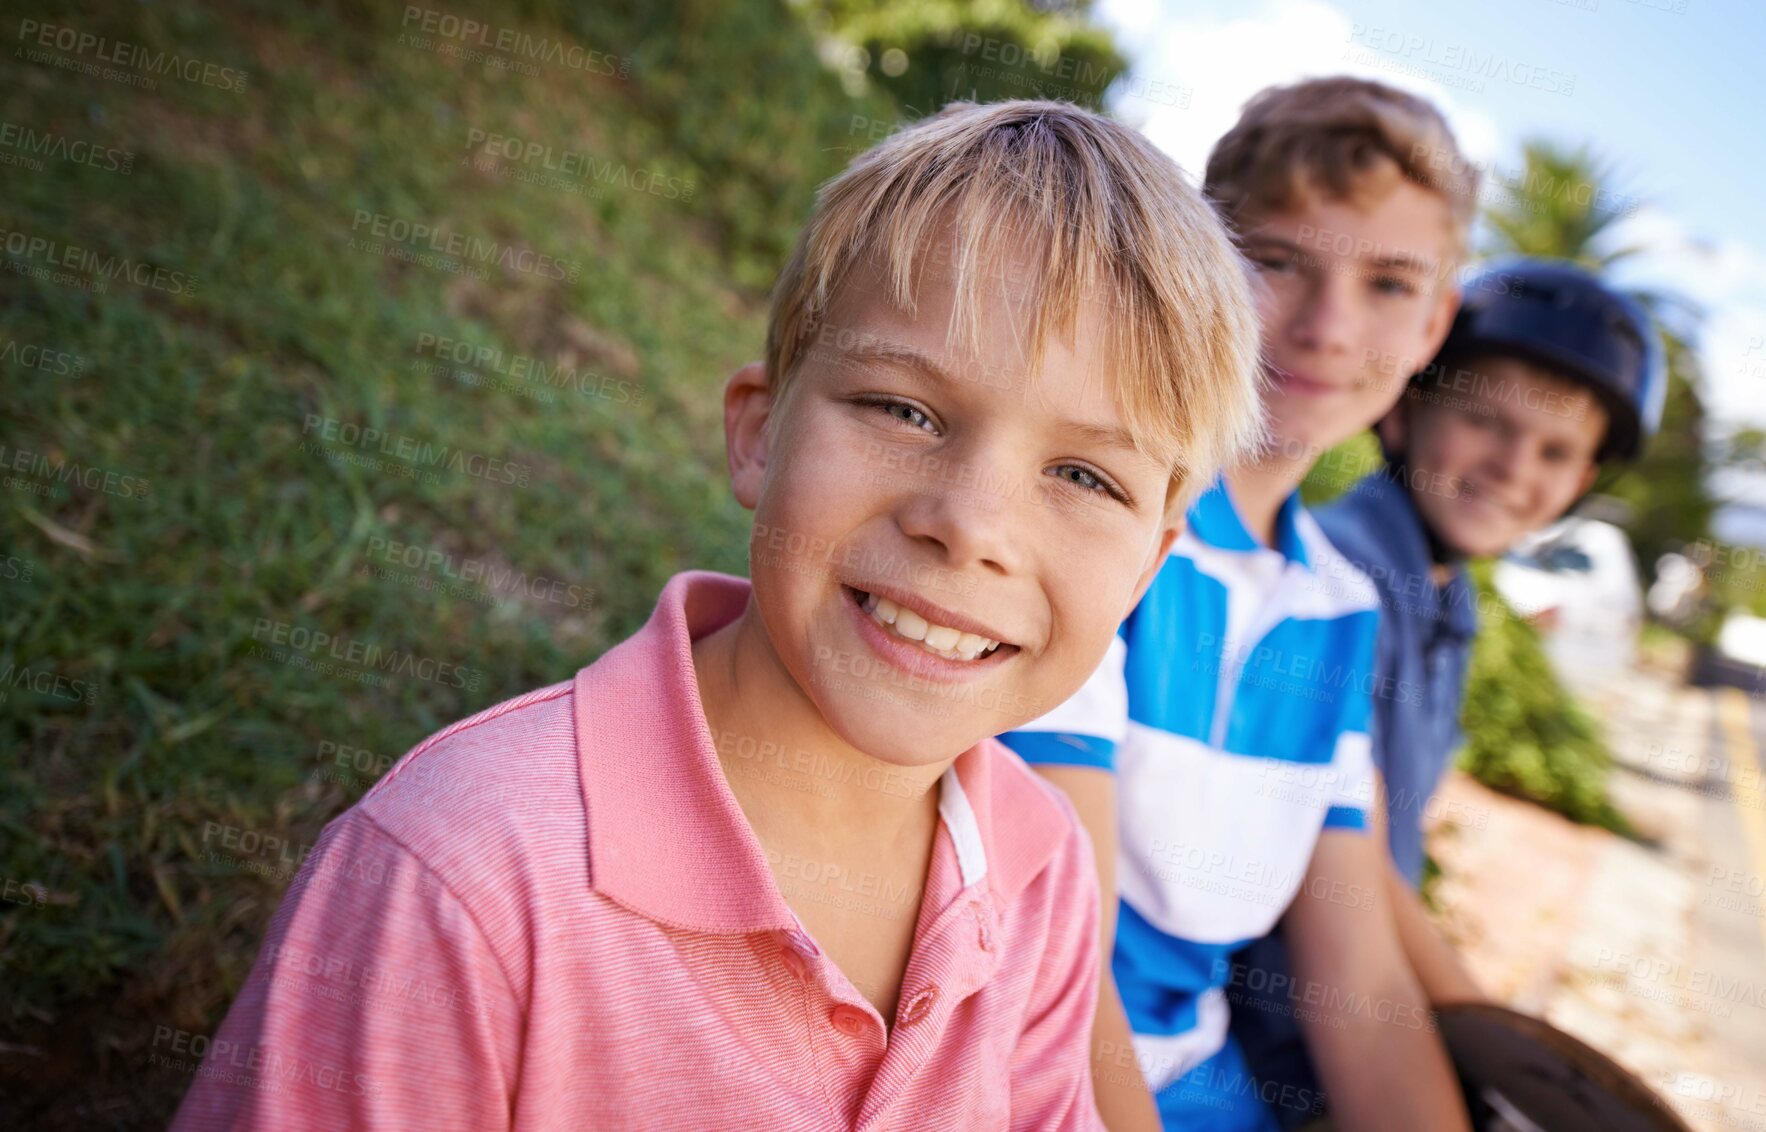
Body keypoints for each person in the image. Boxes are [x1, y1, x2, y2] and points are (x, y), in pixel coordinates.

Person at [167, 99, 1268, 1130]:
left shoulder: (1039, 871)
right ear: (757, 433)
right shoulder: (462, 873)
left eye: (1084, 477)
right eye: (902, 408)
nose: (969, 524)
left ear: (1145, 569)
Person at [1002, 77, 1482, 1132]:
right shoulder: (1105, 508)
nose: (1326, 328)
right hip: (1018, 1059)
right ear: (1200, 261)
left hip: (1199, 1083)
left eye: (1391, 284)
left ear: (1435, 320)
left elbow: (1357, 975)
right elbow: (1051, 954)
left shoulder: (1340, 604)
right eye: (1274, 263)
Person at [1231, 258, 1666, 1127]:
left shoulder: (1445, 596)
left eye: (1554, 451)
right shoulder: (1346, 574)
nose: (1512, 467)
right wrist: (1506, 1045)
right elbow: (1351, 865)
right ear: (1405, 406)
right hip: (1280, 1039)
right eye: (1483, 419)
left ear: (1580, 482)